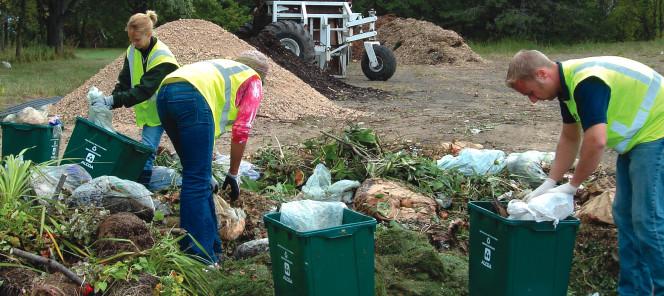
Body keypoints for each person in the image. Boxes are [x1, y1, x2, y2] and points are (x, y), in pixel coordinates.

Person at [505, 49, 664, 296]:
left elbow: (596, 140)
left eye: (530, 93)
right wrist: (550, 182)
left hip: (657, 133)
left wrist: (572, 186)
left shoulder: (586, 82)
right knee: (625, 216)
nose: (533, 100)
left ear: (542, 74)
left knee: (647, 219)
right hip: (638, 139)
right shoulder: (567, 87)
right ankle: (634, 292)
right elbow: (570, 137)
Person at [155, 50, 269, 265]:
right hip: (192, 98)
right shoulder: (253, 80)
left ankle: (213, 250)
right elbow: (242, 130)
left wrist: (205, 171)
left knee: (197, 177)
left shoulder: (223, 70)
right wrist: (233, 174)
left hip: (164, 94)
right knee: (196, 181)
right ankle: (199, 258)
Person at [92, 10, 179, 187]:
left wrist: (111, 101)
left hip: (174, 109)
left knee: (185, 149)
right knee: (147, 153)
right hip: (154, 114)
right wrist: (111, 100)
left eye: (137, 40)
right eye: (131, 39)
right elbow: (125, 80)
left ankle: (202, 182)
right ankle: (143, 193)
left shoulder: (162, 58)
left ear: (149, 34)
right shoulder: (133, 50)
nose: (134, 43)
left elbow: (143, 91)